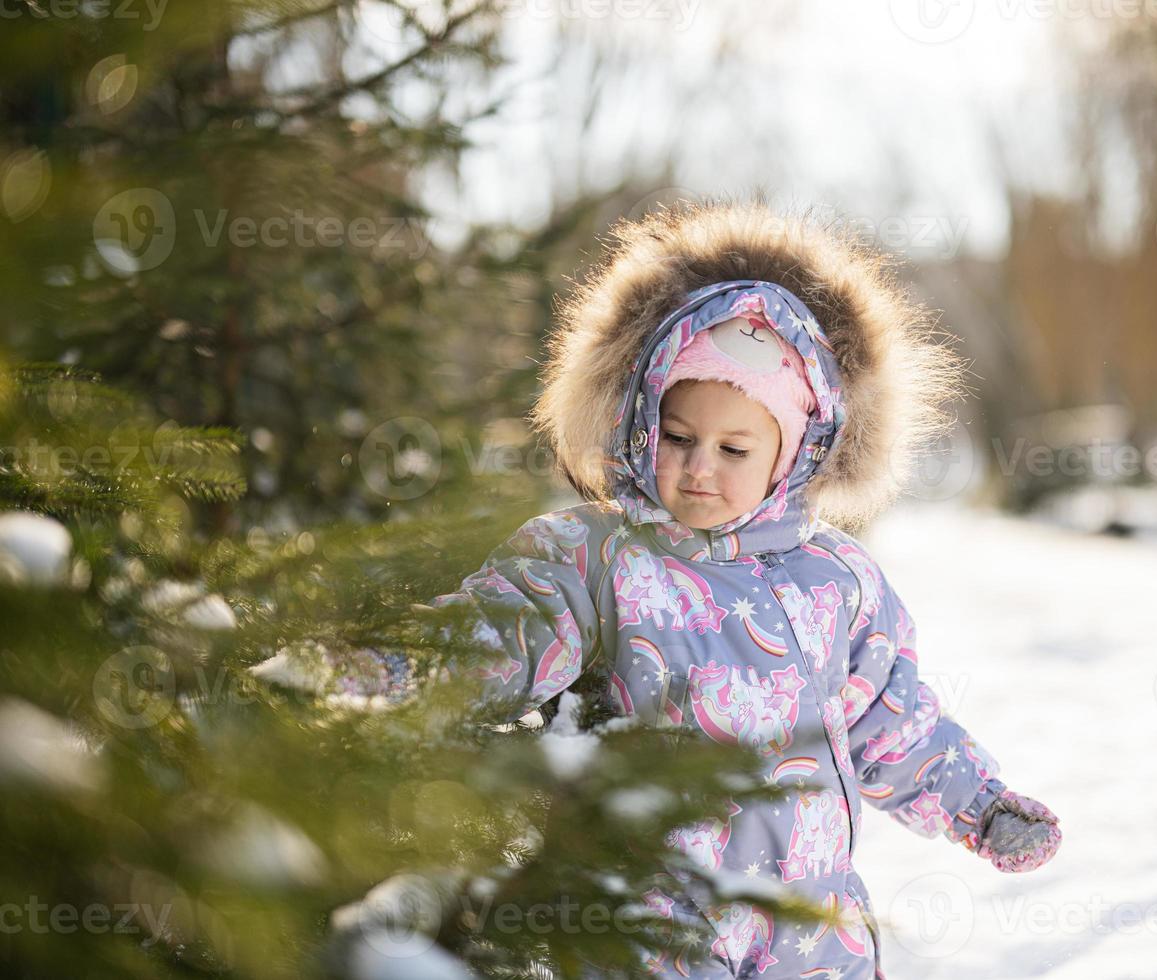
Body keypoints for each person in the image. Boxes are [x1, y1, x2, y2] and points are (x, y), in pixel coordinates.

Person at [268, 200, 1062, 978]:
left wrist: (981, 806)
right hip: (654, 924)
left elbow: (895, 725)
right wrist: (393, 667)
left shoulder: (838, 584)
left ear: (793, 456)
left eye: (734, 447)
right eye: (678, 436)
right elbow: (502, 632)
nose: (698, 465)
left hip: (813, 930)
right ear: (643, 421)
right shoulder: (599, 558)